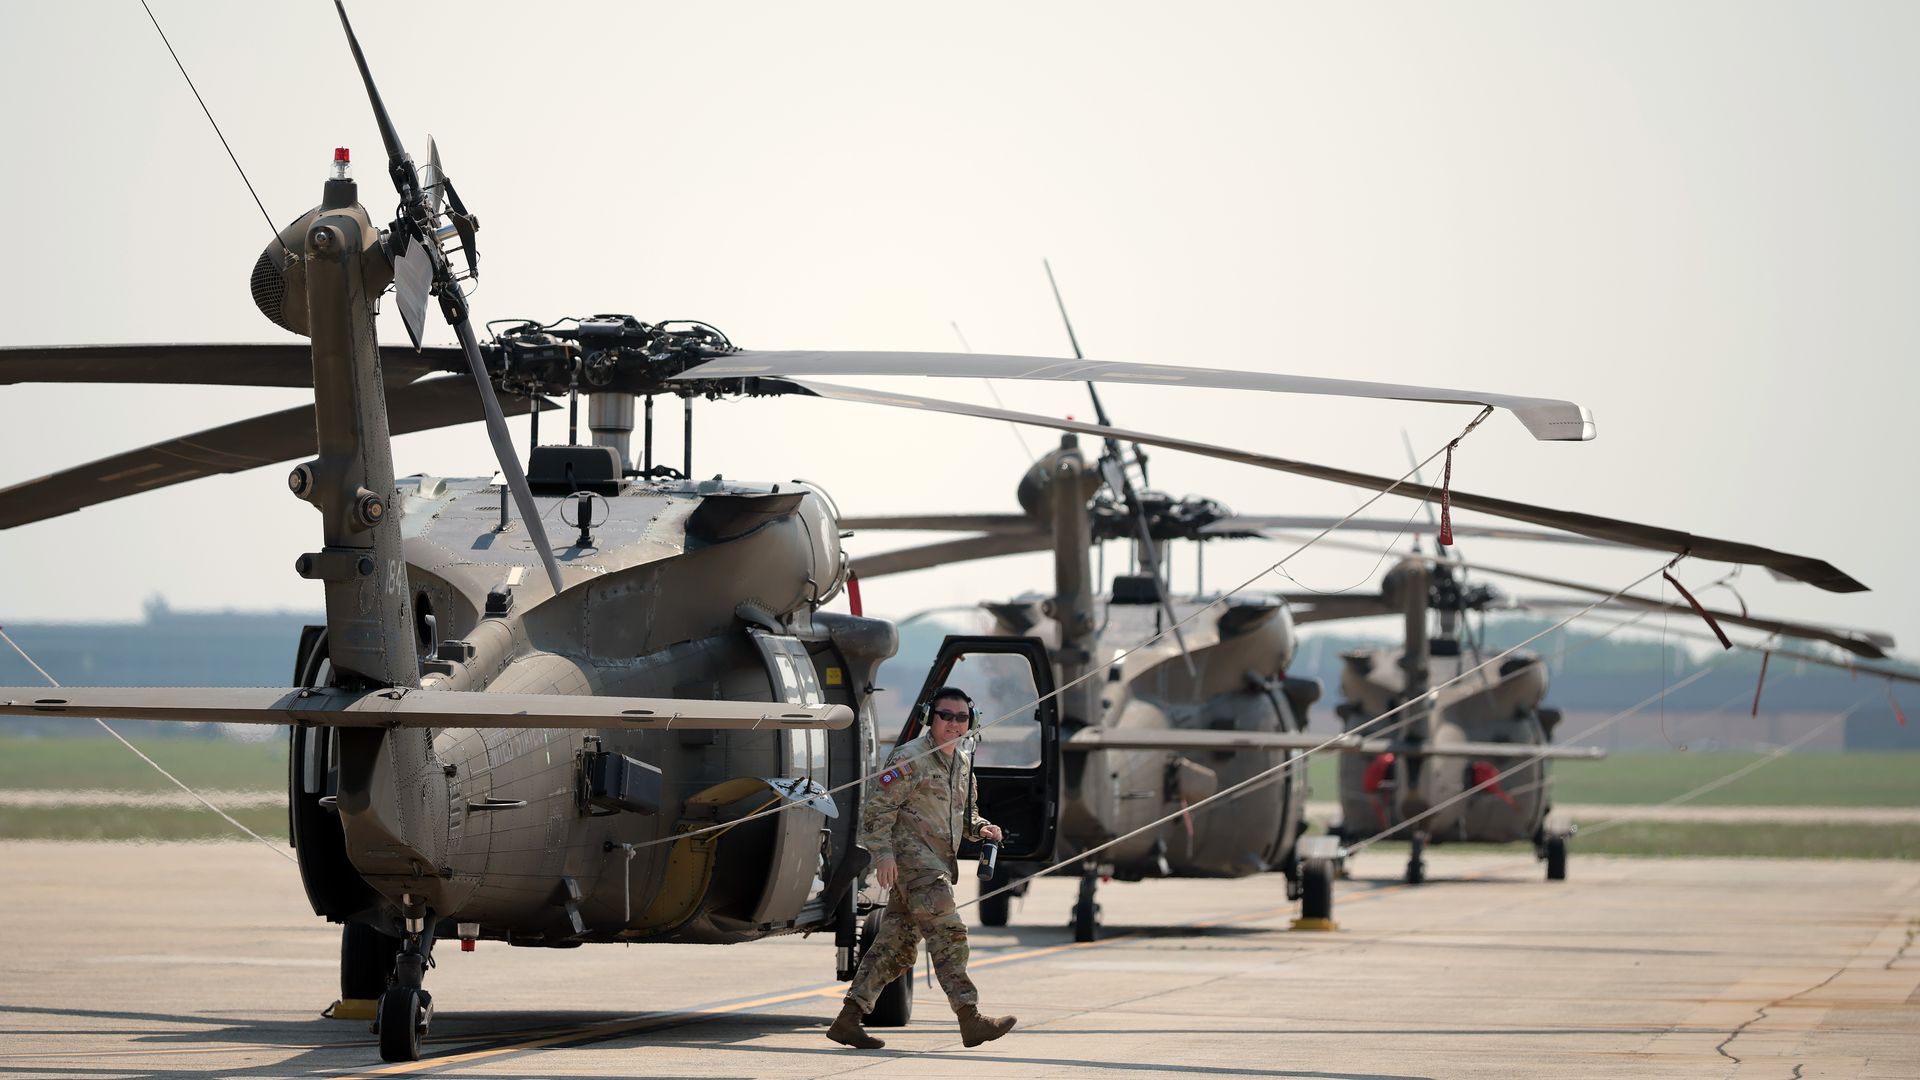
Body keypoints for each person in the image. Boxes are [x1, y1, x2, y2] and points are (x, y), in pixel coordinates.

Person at [826, 686, 1018, 1050]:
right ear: (932, 717)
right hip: (914, 866)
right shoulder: (910, 758)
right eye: (946, 716)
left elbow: (965, 815)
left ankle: (848, 1020)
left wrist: (981, 828)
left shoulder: (961, 764)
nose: (953, 724)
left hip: (935, 866)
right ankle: (970, 1017)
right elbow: (876, 811)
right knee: (950, 933)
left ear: (970, 722)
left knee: (895, 947)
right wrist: (882, 855)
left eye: (961, 717)